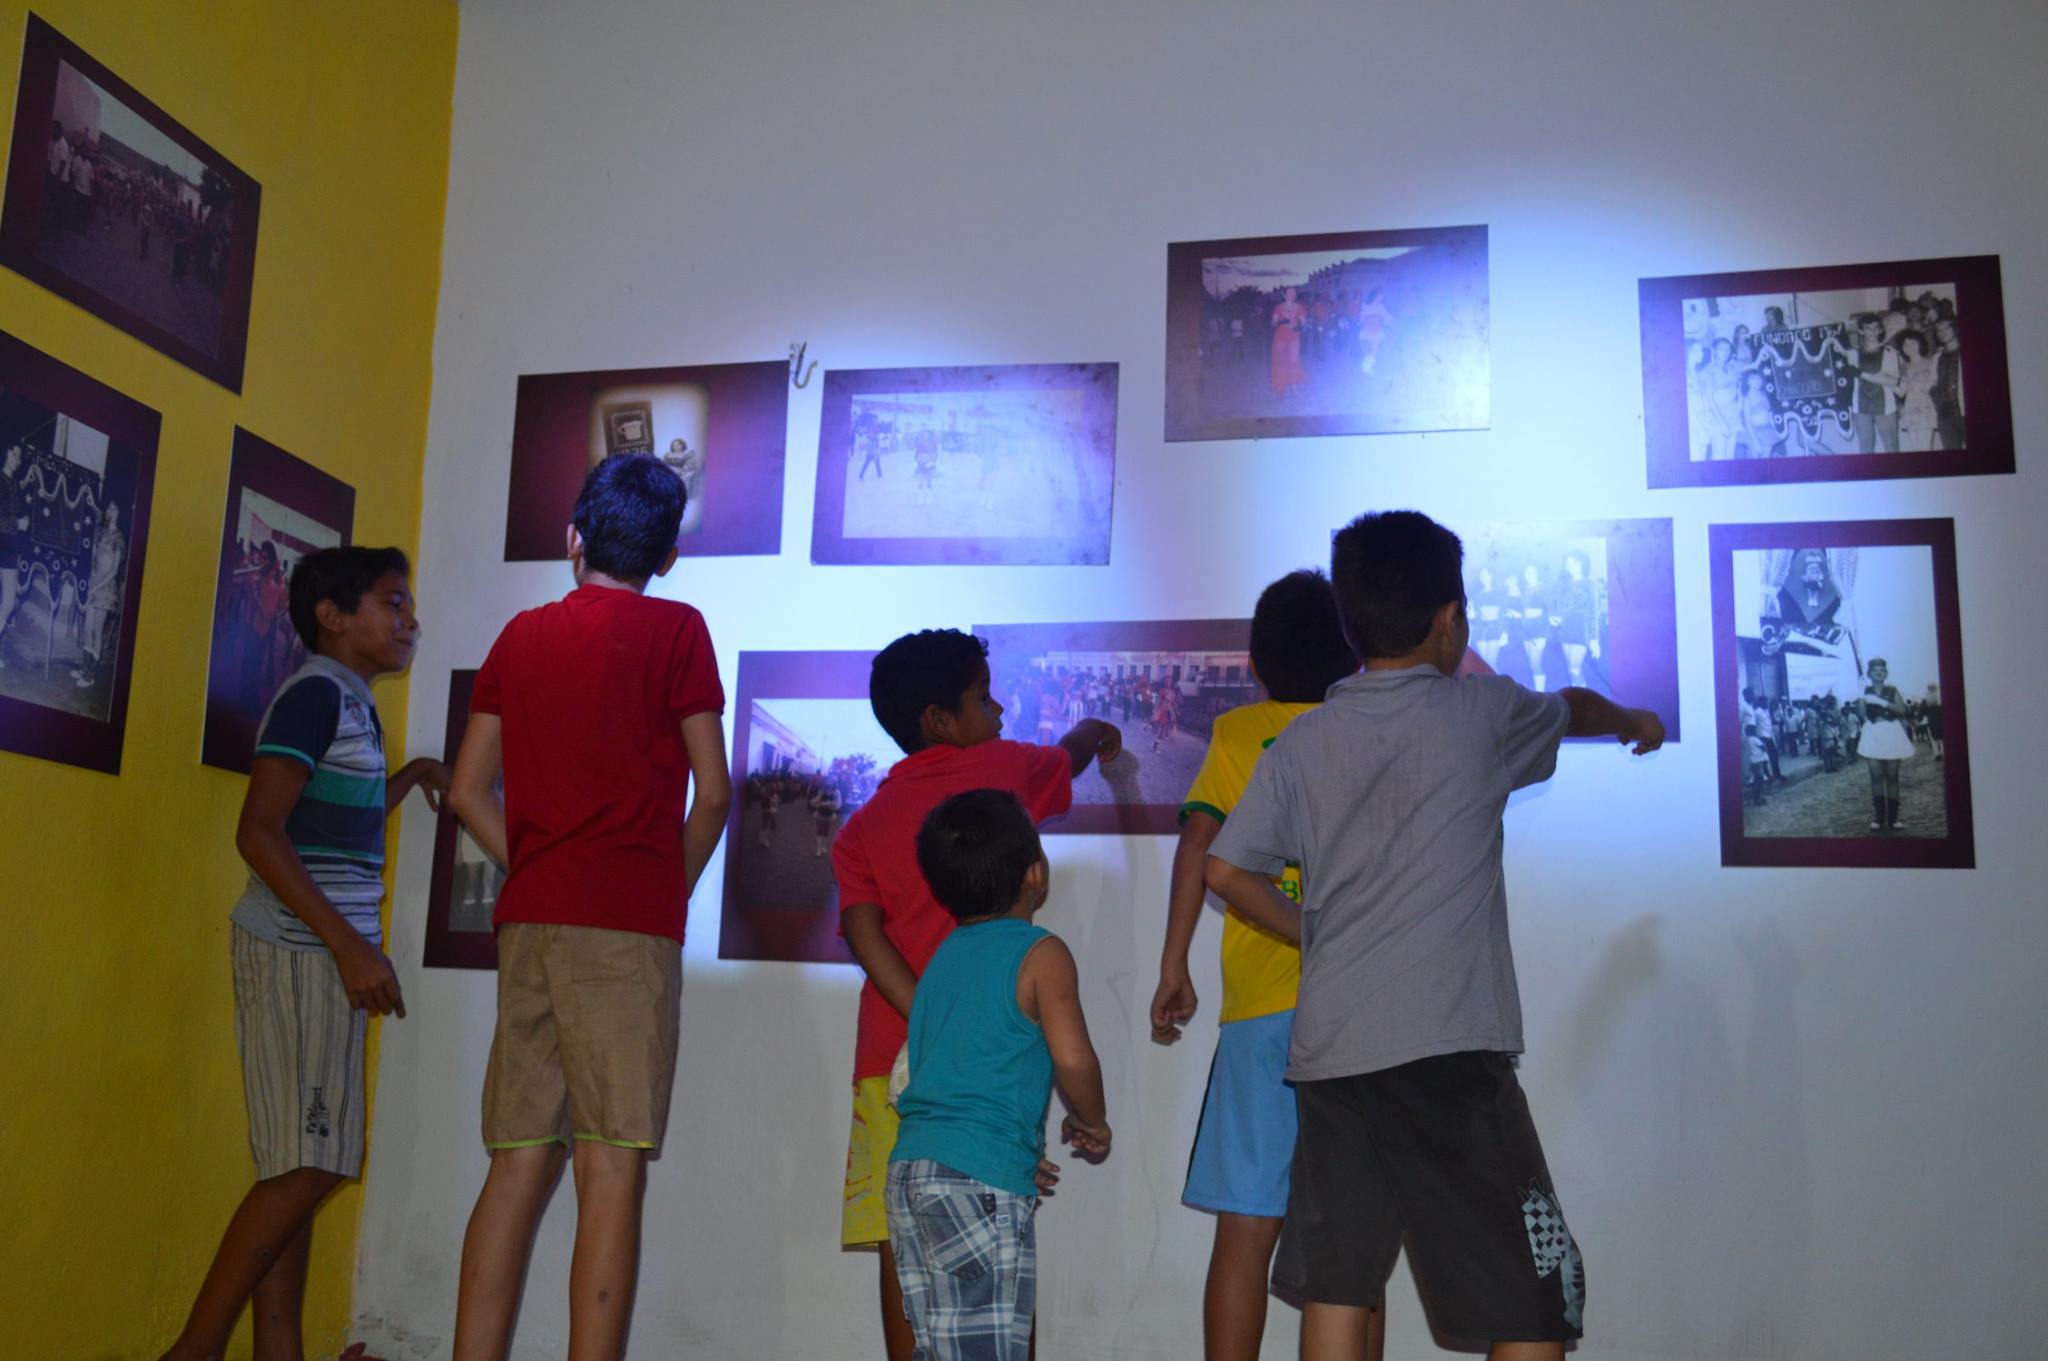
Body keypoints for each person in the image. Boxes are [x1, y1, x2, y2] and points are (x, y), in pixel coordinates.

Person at [1203, 510, 1665, 1361]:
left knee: (1339, 1283)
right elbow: (1574, 706)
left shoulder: (1303, 740)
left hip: (1331, 1056)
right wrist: (1632, 717)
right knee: (1535, 1297)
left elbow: (1227, 870)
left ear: (1351, 625)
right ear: (1449, 620)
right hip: (1448, 1052)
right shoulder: (1480, 712)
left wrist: (1313, 932)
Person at [446, 453, 731, 1361]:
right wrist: (664, 884)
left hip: (531, 919)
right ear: (669, 556)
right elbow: (714, 794)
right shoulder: (677, 628)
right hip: (626, 927)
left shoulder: (521, 634)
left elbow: (466, 792)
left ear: (573, 536)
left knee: (518, 1159)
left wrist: (536, 862)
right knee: (610, 1165)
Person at [155, 547, 449, 1361]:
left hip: (324, 956)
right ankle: (194, 1348)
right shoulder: (315, 693)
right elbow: (258, 831)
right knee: (311, 1165)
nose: (410, 620)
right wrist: (349, 945)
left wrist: (409, 775)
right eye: (393, 602)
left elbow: (333, 818)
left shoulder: (349, 700)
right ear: (333, 616)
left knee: (301, 1160)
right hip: (300, 952)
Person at [833, 629, 1119, 1361]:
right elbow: (1066, 757)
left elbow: (862, 929)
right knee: (997, 1272)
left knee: (904, 1253)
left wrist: (928, 1010)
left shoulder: (862, 824)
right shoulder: (1002, 770)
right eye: (985, 698)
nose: (999, 711)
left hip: (890, 1058)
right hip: (986, 1062)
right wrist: (1095, 730)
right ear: (940, 720)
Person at [1150, 569, 1361, 1361]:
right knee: (1355, 1235)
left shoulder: (1239, 733)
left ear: (1256, 662)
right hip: (1362, 1013)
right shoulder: (1368, 728)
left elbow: (1198, 846)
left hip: (1261, 1014)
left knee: (1245, 1230)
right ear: (1354, 653)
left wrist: (1174, 963)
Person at [886, 789, 1112, 1361]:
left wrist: (1011, 1153)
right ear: (1035, 872)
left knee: (940, 1347)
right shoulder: (1041, 953)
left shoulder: (942, 960)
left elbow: (951, 1075)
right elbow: (1073, 1058)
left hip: (912, 1170)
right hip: (976, 1181)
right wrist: (1093, 1120)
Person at [70, 501, 127, 689]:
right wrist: (89, 582)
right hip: (93, 583)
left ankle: (90, 675)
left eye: (115, 508)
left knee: (97, 630)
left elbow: (114, 571)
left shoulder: (119, 538)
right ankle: (84, 667)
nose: (111, 511)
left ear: (119, 513)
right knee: (87, 628)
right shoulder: (100, 532)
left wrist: (96, 587)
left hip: (106, 589)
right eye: (109, 508)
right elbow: (93, 557)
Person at [1855, 658, 1915, 832]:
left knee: (1892, 777)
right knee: (1875, 777)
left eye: (1882, 670)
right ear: (1869, 674)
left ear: (1886, 674)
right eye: (1875, 670)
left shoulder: (1892, 690)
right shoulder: (1865, 690)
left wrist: (1881, 702)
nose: (1879, 673)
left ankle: (1893, 818)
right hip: (1872, 734)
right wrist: (1860, 694)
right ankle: (1879, 817)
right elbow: (1861, 714)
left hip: (1891, 733)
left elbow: (1903, 711)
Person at [0, 444, 29, 664]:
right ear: (6, 453)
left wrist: (23, 521)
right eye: (14, 454)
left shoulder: (16, 486)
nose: (17, 460)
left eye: (20, 457)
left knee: (9, 601)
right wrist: (16, 523)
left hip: (9, 548)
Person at [1894, 333, 1941, 452]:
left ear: (1920, 344)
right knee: (1915, 450)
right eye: (1905, 344)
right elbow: (1901, 392)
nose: (1909, 347)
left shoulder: (1930, 362)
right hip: (1909, 409)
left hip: (1925, 408)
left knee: (1925, 449)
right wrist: (1885, 381)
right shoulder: (1903, 367)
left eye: (1913, 343)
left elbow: (1931, 387)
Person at [1932, 317, 1965, 450]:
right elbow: (1933, 382)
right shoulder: (1937, 356)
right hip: (1944, 413)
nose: (1942, 332)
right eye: (1938, 330)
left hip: (1964, 411)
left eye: (1946, 328)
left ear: (1955, 329)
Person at [1269, 287, 1308, 397]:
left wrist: (1300, 327)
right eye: (1289, 292)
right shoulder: (1278, 307)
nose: (1292, 294)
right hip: (1281, 336)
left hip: (1294, 336)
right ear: (1284, 295)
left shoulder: (1300, 307)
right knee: (1281, 361)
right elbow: (1273, 323)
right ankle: (1281, 385)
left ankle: (1294, 386)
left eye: (1294, 292)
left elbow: (1304, 323)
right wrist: (1281, 322)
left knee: (1293, 361)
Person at [811, 779, 844, 858]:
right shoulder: (822, 791)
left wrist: (828, 804)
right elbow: (817, 800)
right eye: (828, 781)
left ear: (834, 782)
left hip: (829, 814)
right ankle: (819, 849)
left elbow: (837, 804)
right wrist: (814, 802)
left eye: (831, 781)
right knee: (819, 830)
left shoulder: (836, 792)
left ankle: (824, 846)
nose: (829, 782)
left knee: (826, 831)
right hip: (820, 812)